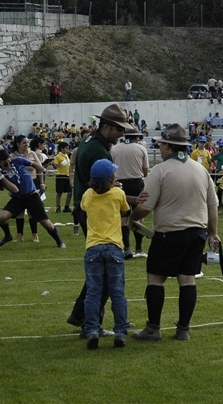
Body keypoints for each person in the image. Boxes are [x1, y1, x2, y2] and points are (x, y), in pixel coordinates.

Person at [129, 123, 220, 341]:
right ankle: (183, 329)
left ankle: (153, 328)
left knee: (155, 279)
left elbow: (145, 206)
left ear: (168, 146)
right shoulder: (200, 169)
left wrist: (132, 218)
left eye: (161, 145)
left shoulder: (160, 170)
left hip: (168, 234)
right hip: (196, 233)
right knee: (187, 279)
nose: (160, 148)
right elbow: (212, 206)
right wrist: (212, 233)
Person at [67, 104, 132, 332]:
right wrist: (116, 189)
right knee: (103, 277)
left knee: (97, 272)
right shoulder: (98, 149)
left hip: (85, 206)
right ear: (106, 127)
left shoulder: (89, 141)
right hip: (92, 210)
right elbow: (99, 188)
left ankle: (83, 318)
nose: (122, 134)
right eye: (119, 129)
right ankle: (87, 321)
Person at [80, 159, 131, 349]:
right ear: (111, 179)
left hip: (93, 247)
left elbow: (86, 207)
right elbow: (125, 210)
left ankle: (92, 329)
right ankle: (120, 332)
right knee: (117, 293)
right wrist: (117, 188)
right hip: (114, 247)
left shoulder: (87, 195)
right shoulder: (118, 193)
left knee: (93, 292)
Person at [110, 124, 150, 259]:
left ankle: (126, 247)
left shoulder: (114, 149)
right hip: (137, 182)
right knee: (138, 216)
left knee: (123, 217)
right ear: (136, 137)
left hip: (120, 184)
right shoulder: (141, 148)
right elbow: (145, 171)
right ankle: (138, 248)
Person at [53, 142, 73, 214]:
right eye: (66, 148)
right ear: (62, 149)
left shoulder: (66, 155)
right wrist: (53, 163)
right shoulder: (58, 156)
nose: (68, 150)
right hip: (60, 176)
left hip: (67, 176)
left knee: (70, 192)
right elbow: (55, 165)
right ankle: (58, 207)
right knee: (59, 193)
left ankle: (66, 207)